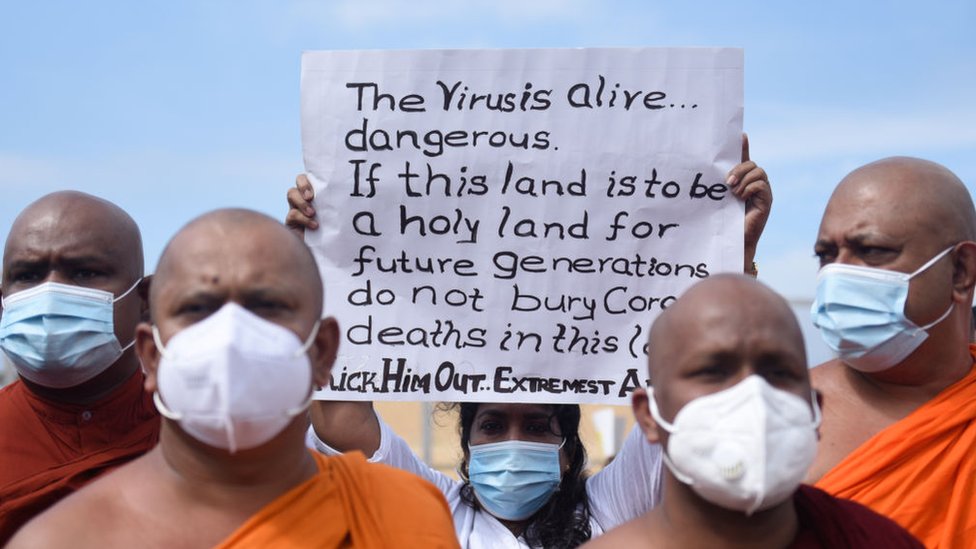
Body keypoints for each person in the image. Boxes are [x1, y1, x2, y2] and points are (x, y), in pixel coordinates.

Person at [288, 137, 771, 548]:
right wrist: (324, 264)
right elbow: (339, 417)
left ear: (566, 451)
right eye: (493, 425)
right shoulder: (432, 510)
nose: (513, 445)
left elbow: (698, 399)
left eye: (538, 426)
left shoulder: (612, 509)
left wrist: (733, 255)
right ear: (468, 444)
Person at [8, 209, 459, 548]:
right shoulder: (65, 539)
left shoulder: (406, 512)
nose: (230, 335)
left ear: (322, 352)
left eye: (267, 306)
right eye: (197, 308)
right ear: (152, 355)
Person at [584, 275, 922, 548]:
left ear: (815, 410)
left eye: (779, 372)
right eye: (713, 371)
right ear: (648, 416)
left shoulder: (878, 539)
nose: (753, 396)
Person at [806, 157, 976, 547]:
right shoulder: (779, 413)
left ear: (961, 271)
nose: (837, 274)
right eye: (826, 255)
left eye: (872, 250)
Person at [0, 191, 160, 543]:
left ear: (145, 301)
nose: (51, 294)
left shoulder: (199, 432)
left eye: (84, 272)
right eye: (27, 275)